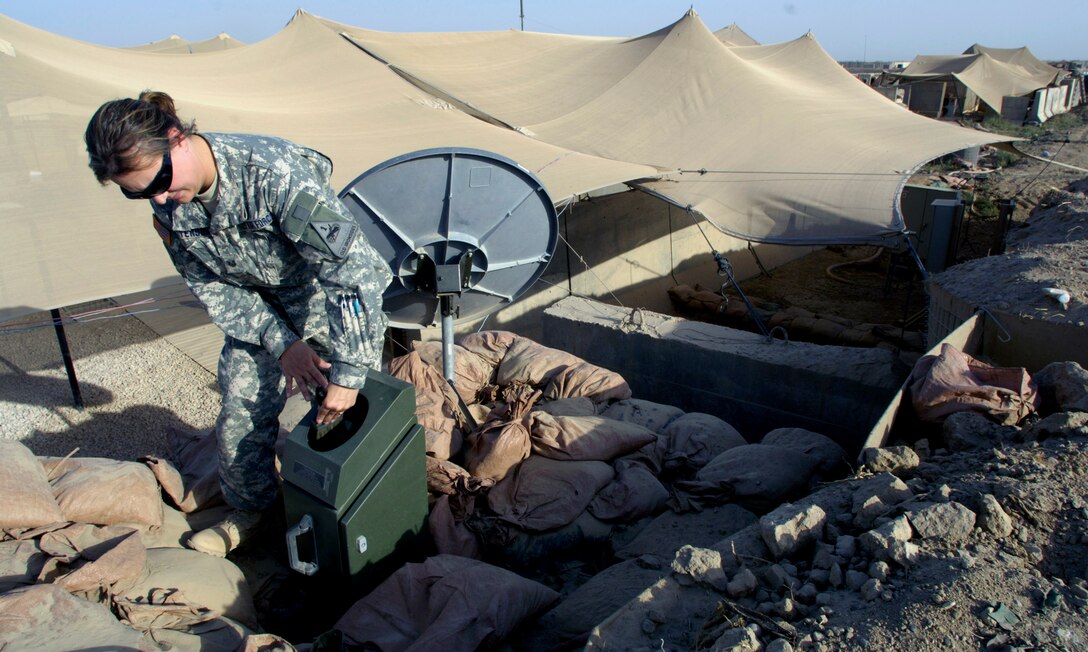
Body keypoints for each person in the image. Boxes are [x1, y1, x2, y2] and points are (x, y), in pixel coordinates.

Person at [84, 91, 392, 556]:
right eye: (140, 192)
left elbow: (353, 274)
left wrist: (349, 373)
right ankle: (250, 512)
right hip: (257, 315)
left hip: (324, 303)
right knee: (240, 413)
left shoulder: (273, 174)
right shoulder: (166, 199)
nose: (161, 197)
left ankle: (378, 508)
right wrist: (282, 344)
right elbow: (212, 286)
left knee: (358, 409)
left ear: (178, 138)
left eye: (161, 181)